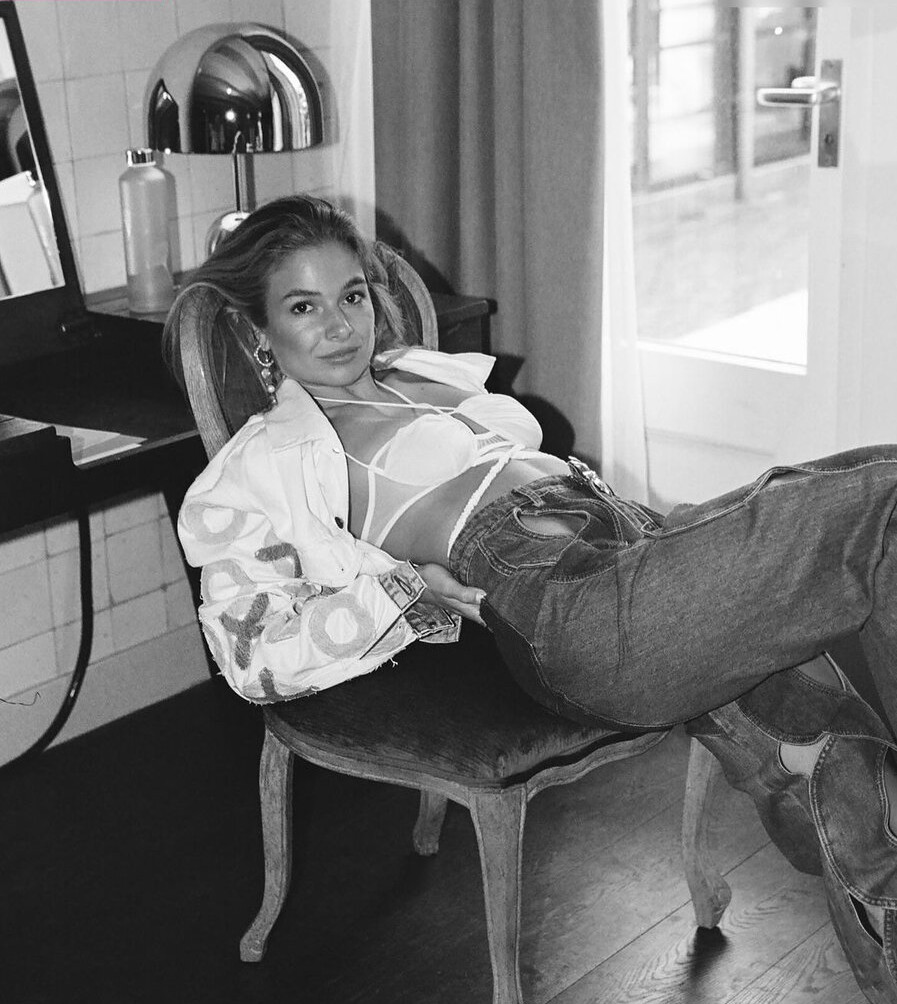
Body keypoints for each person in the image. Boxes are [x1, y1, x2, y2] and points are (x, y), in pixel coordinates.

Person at [166, 194, 897, 1003]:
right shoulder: (262, 465)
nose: (340, 325)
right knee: (883, 494)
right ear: (258, 330)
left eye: (352, 296)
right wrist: (402, 591)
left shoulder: (419, 376)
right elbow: (251, 655)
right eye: (303, 307)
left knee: (842, 758)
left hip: (632, 544)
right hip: (562, 607)